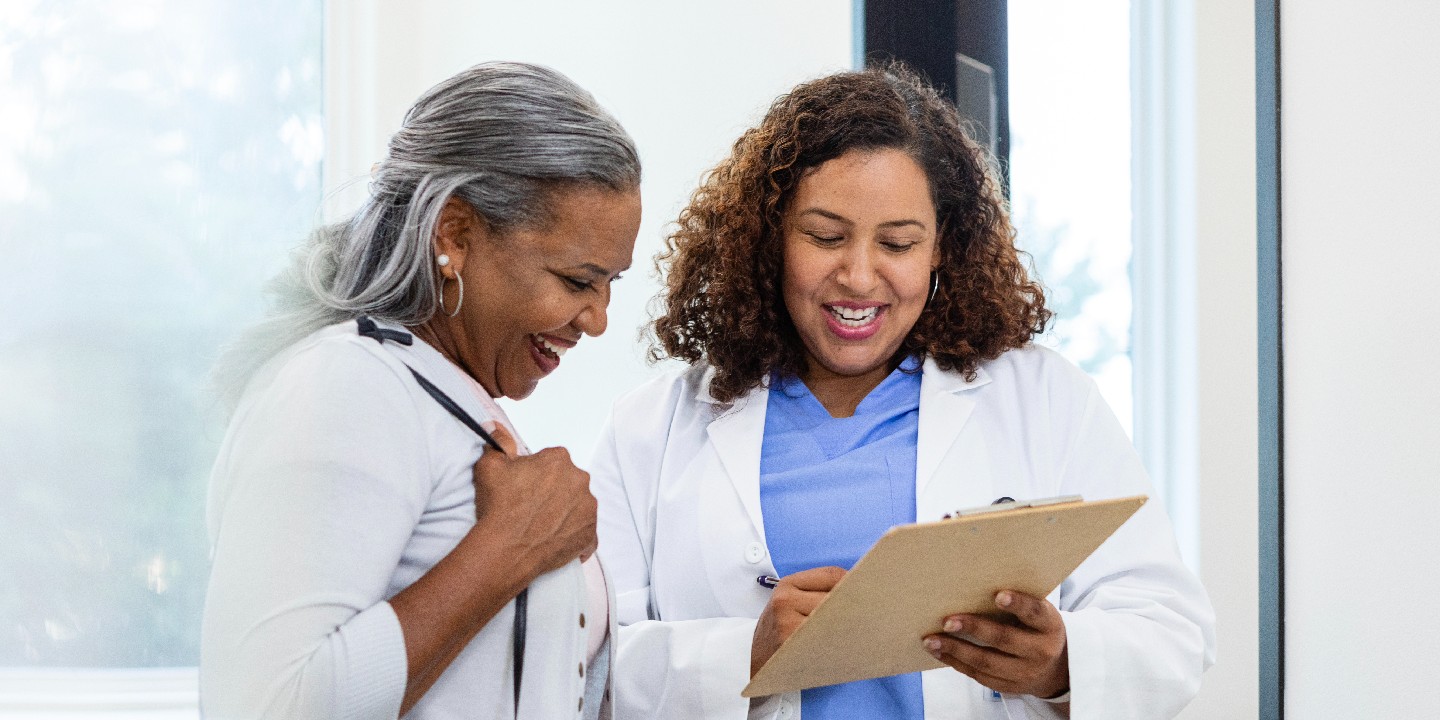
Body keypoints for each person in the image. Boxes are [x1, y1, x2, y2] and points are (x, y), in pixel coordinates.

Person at [589, 65, 1215, 719]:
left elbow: (1173, 633)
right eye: (825, 236)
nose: (859, 276)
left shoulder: (1046, 400)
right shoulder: (651, 429)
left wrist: (1061, 665)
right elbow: (583, 665)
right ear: (770, 237)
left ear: (942, 246)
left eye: (898, 243)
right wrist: (742, 655)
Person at [201, 62, 641, 720]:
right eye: (577, 281)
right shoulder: (345, 386)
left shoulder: (443, 396)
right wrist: (507, 550)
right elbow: (267, 705)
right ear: (455, 234)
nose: (598, 319)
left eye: (611, 284)